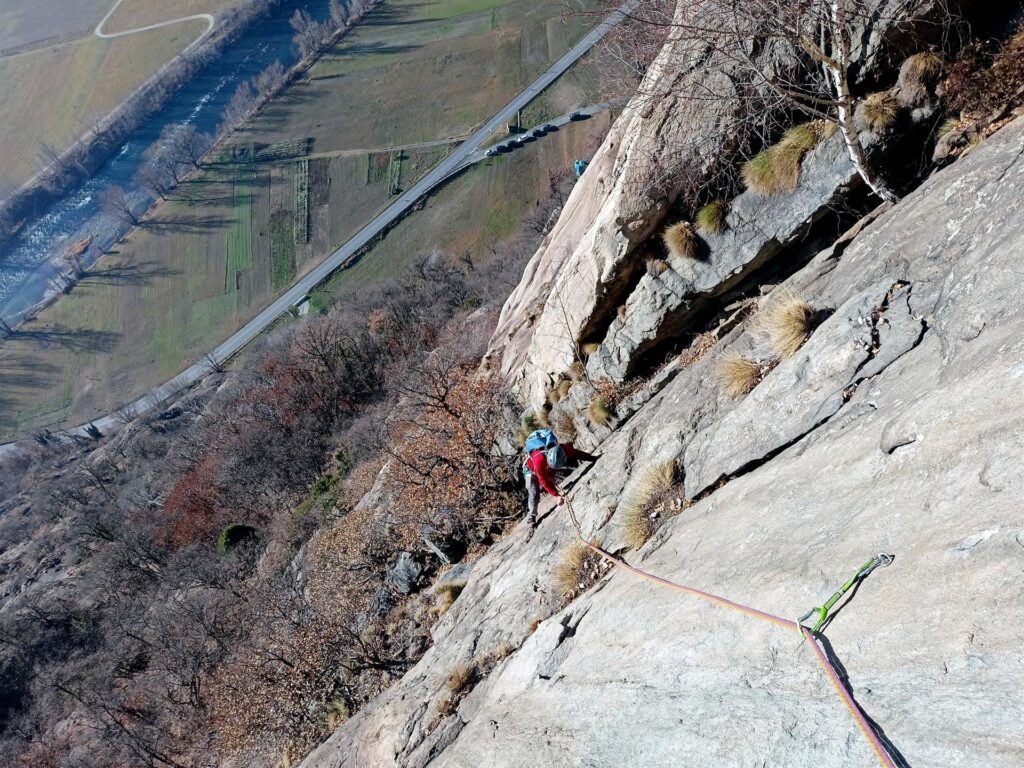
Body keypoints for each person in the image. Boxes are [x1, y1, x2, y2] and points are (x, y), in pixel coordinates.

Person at [523, 428, 598, 526]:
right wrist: (556, 495)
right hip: (528, 472)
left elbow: (577, 453)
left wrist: (592, 458)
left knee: (549, 477)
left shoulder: (562, 450)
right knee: (532, 490)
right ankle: (531, 515)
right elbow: (542, 480)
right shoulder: (539, 459)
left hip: (543, 468)